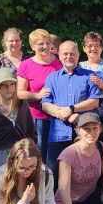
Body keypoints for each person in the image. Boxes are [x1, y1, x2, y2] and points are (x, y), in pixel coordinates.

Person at [41, 41, 102, 177]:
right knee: (54, 172)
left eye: (72, 54)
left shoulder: (89, 76)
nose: (69, 57)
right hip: (58, 133)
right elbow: (45, 105)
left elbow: (95, 101)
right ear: (59, 55)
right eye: (65, 54)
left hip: (83, 133)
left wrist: (72, 108)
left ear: (78, 55)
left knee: (82, 172)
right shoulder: (52, 78)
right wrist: (67, 116)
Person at [0, 68, 37, 187]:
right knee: (0, 193)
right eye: (4, 85)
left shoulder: (22, 105)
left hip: (23, 157)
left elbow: (32, 133)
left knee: (25, 192)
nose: (9, 88)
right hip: (0, 159)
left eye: (12, 84)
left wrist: (29, 152)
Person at [17, 29, 62, 159]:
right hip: (38, 118)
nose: (45, 46)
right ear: (33, 46)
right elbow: (19, 93)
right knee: (39, 152)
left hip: (59, 116)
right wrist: (37, 95)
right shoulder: (25, 65)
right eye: (40, 44)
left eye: (48, 43)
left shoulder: (60, 62)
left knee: (57, 155)